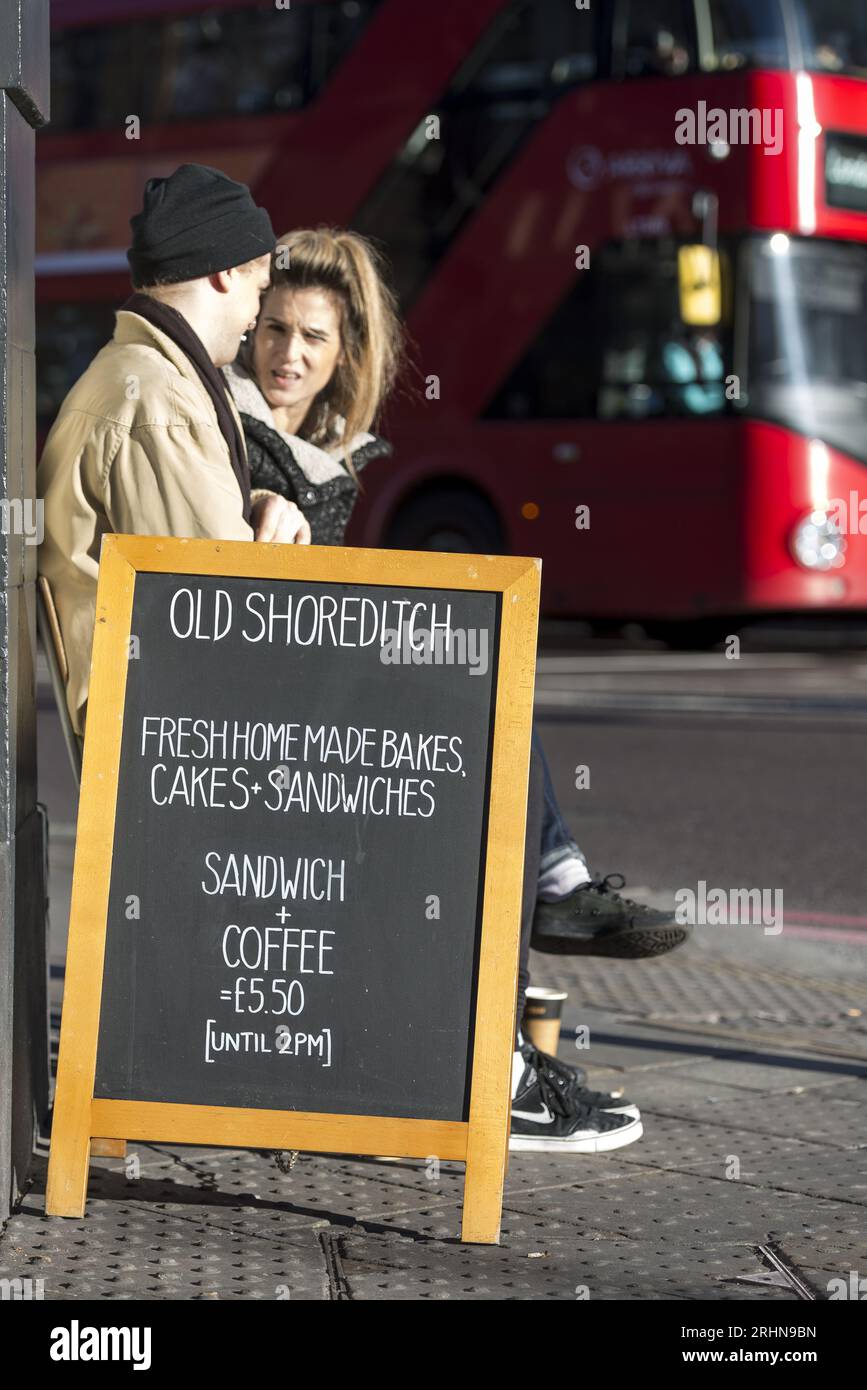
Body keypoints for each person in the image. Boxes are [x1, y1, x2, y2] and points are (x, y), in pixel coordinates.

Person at [223, 226, 688, 1151]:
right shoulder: (234, 434)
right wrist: (256, 509)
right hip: (256, 731)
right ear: (248, 330)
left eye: (312, 339)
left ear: (341, 355)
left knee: (479, 696)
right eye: (274, 329)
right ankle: (503, 1046)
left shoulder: (325, 450)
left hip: (302, 701)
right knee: (468, 703)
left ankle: (511, 1024)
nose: (288, 354)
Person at [38, 164, 309, 739]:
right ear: (225, 271)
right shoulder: (162, 403)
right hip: (169, 757)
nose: (255, 317)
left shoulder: (142, 380)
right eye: (257, 291)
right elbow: (231, 613)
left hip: (151, 738)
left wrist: (258, 503)